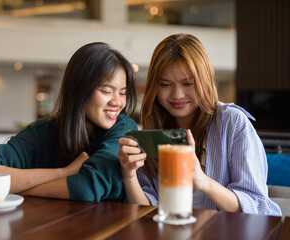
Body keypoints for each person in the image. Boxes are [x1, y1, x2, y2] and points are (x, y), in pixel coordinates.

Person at [117, 33, 282, 216]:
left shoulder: (232, 122)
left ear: (204, 80)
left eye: (188, 84)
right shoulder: (153, 129)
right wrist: (129, 175)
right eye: (165, 84)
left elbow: (256, 205)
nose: (177, 95)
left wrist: (202, 181)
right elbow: (148, 211)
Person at [0, 42, 138, 202]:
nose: (118, 102)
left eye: (122, 93)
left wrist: (19, 189)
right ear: (79, 91)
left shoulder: (123, 128)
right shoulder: (42, 132)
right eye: (107, 91)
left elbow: (86, 188)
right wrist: (64, 172)